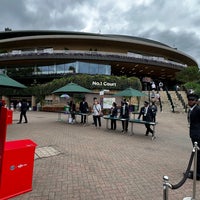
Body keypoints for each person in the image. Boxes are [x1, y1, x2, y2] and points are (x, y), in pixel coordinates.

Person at [187, 93, 200, 180]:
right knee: (197, 154)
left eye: (192, 100)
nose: (190, 101)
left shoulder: (198, 109)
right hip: (194, 134)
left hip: (197, 135)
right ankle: (197, 170)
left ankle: (198, 174)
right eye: (189, 100)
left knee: (198, 154)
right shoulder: (191, 109)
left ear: (196, 101)